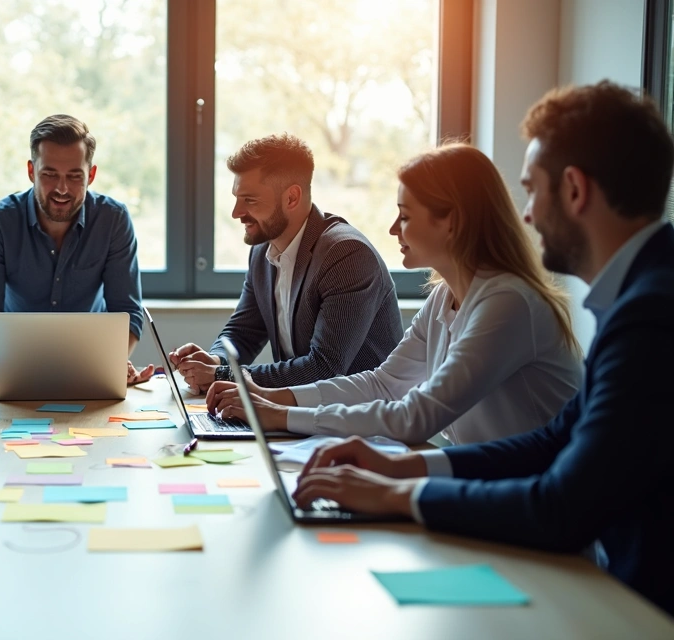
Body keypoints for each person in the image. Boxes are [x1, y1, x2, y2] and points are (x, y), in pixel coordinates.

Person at [291, 81, 674, 616]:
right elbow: (552, 441)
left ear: (574, 190)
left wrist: (396, 495)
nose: (527, 216)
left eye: (532, 191)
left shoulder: (650, 316)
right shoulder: (639, 298)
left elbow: (561, 505)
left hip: (633, 608)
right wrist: (401, 472)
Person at [205, 144, 583, 445]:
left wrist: (278, 413)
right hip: (489, 479)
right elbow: (382, 384)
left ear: (451, 222)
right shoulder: (442, 296)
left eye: (404, 215)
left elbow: (415, 416)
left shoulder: (508, 304)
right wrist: (271, 398)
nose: (391, 229)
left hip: (539, 506)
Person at [169, 134, 403, 393]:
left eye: (250, 200)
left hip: (361, 420)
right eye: (236, 198)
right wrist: (216, 360)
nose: (236, 212)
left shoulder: (347, 254)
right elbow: (243, 332)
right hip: (305, 414)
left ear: (291, 198)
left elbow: (324, 367)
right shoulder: (262, 250)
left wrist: (222, 375)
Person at [0, 114, 154, 394]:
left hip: (93, 369)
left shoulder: (113, 220)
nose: (62, 189)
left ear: (90, 175)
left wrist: (114, 361)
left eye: (74, 176)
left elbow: (127, 311)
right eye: (50, 174)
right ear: (31, 171)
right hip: (16, 370)